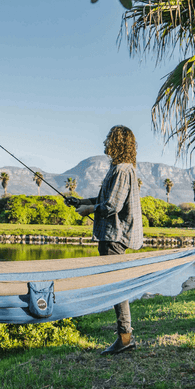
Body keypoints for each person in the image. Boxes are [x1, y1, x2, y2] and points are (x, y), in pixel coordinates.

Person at [66, 125, 143, 355]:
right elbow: (104, 199)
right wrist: (81, 202)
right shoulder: (119, 169)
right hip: (112, 235)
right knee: (115, 284)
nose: (105, 143)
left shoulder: (121, 170)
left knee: (116, 286)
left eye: (110, 139)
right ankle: (125, 336)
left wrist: (90, 208)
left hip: (114, 237)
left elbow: (112, 206)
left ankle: (125, 337)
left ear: (118, 143)